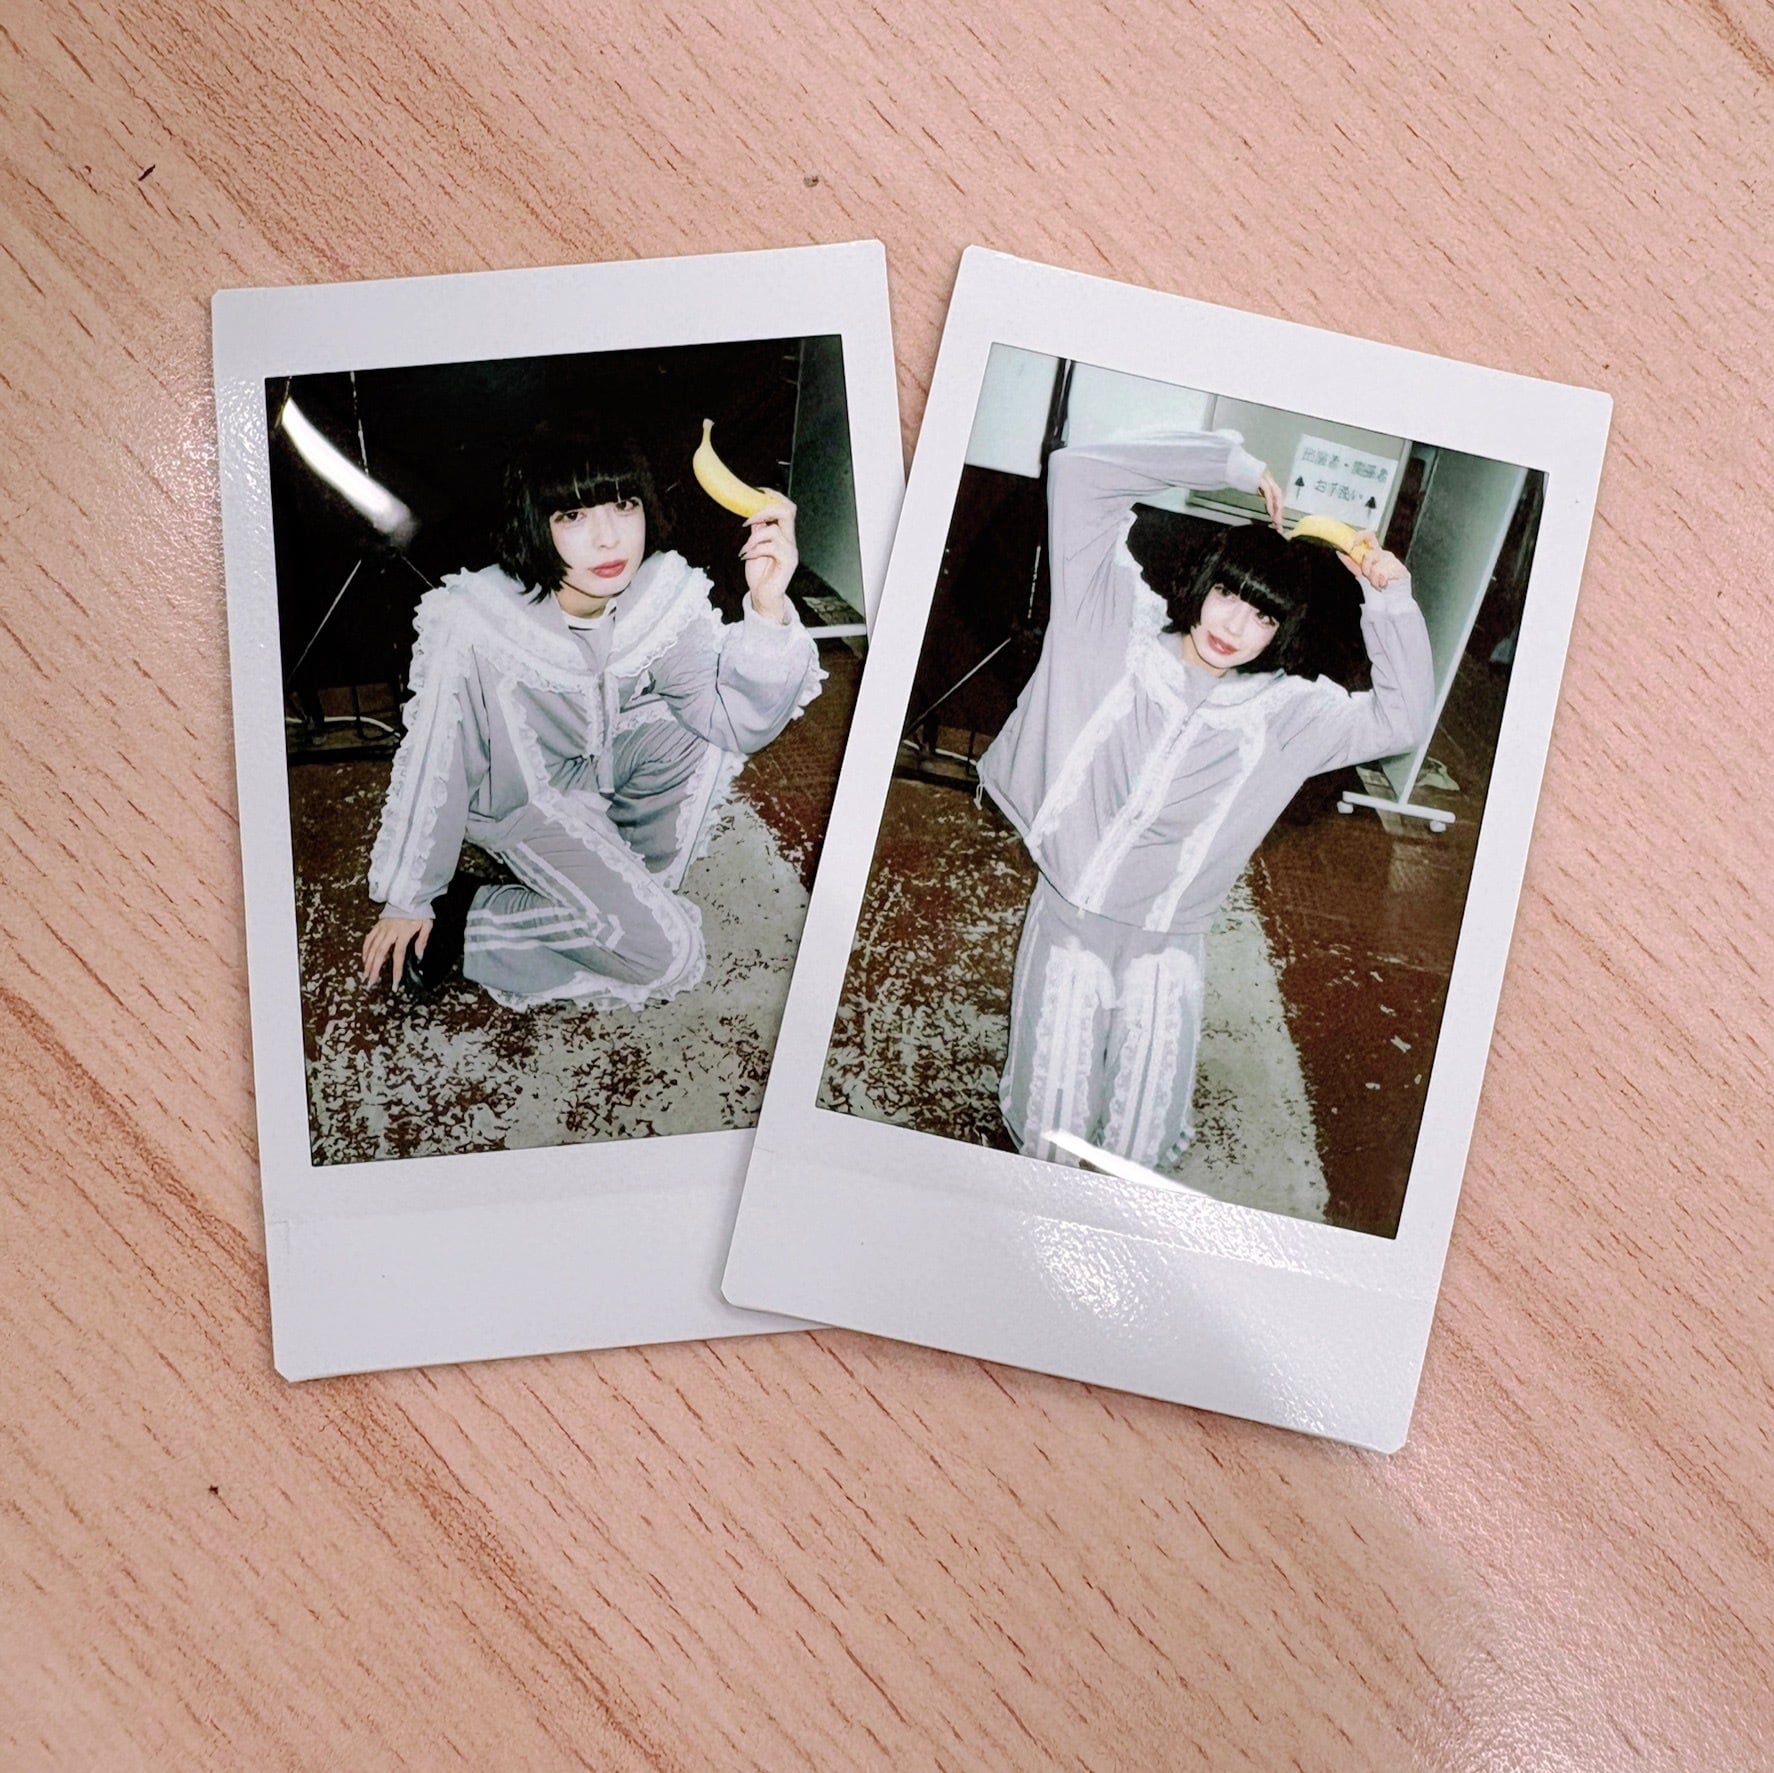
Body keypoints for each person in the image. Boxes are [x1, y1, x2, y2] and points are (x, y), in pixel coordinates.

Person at [974, 429, 1434, 1172]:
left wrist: (1390, 604)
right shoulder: (1109, 627)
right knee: (1048, 1135)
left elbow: (1402, 719)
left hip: (1168, 943)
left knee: (1137, 1148)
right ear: (1203, 584)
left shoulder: (1285, 715)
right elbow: (1078, 471)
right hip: (1069, 918)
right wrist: (1226, 465)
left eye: (1263, 617)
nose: (1234, 628)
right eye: (1228, 596)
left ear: (1281, 632)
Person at [360, 418, 823, 1009]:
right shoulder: (480, 622)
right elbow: (439, 759)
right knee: (665, 953)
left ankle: (618, 886)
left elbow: (732, 720)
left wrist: (767, 602)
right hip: (519, 803)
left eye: (624, 506)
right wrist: (411, 897)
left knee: (697, 734)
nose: (609, 540)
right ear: (537, 524)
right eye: (573, 515)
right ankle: (468, 918)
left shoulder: (657, 596)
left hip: (597, 767)